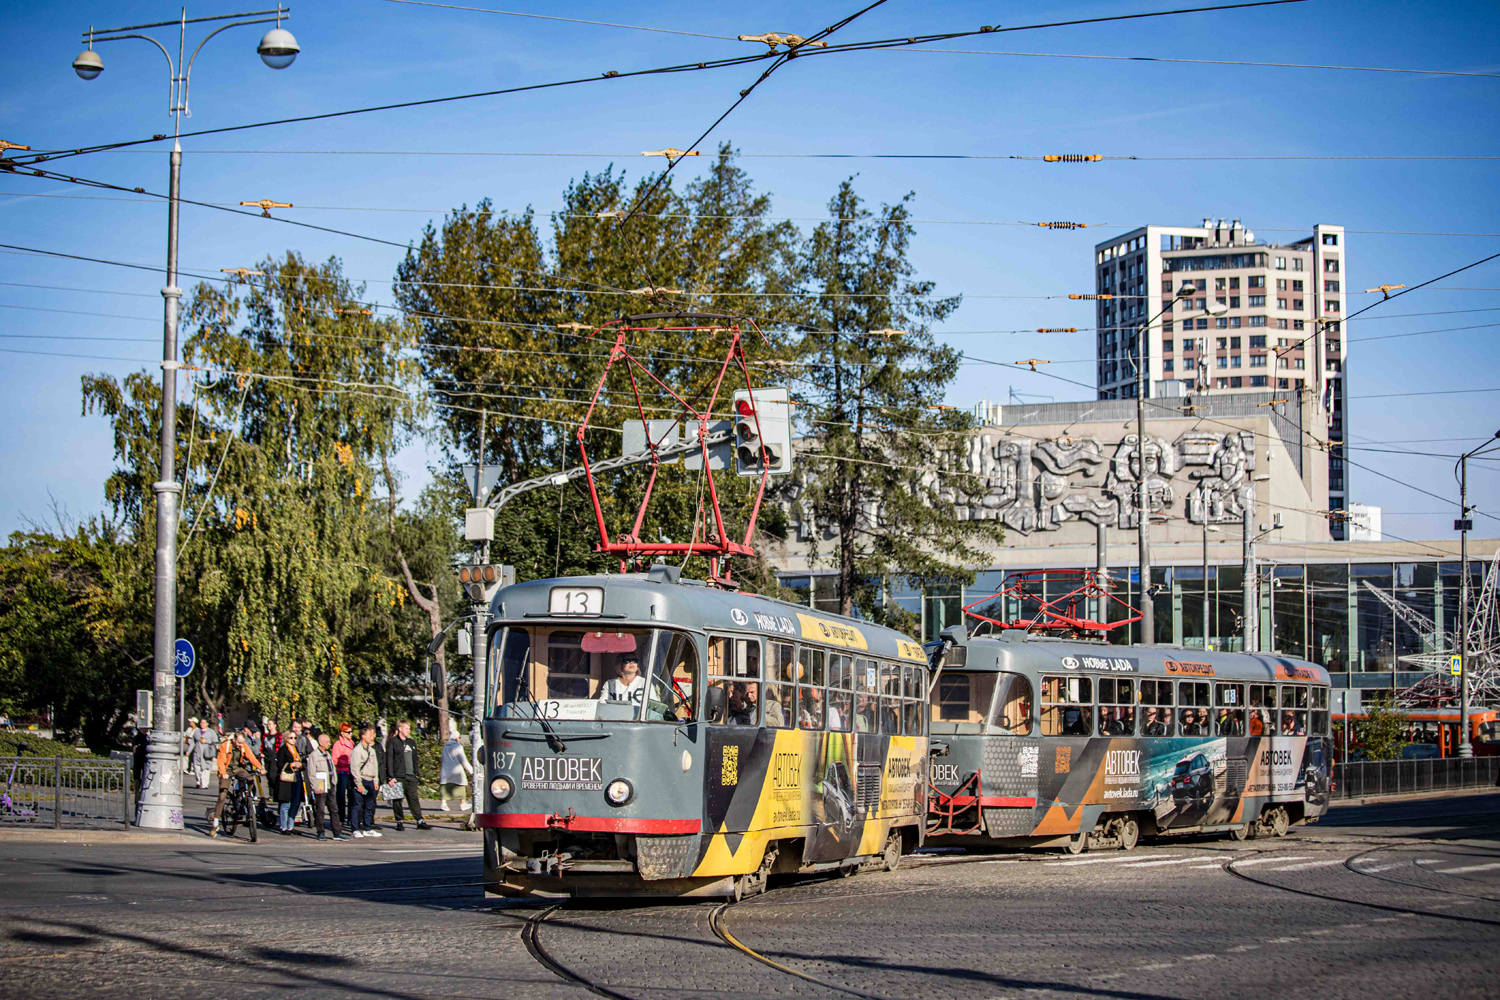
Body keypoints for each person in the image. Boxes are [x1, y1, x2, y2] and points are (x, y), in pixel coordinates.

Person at [209, 727, 264, 836]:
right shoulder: (226, 745)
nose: (240, 745)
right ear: (234, 740)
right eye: (238, 743)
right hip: (227, 770)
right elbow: (220, 761)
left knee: (250, 778)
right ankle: (215, 822)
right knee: (222, 796)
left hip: (238, 769)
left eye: (242, 743)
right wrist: (223, 773)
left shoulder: (244, 746)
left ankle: (245, 796)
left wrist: (260, 767)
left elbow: (251, 757)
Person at [382, 720, 430, 831]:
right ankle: (399, 821)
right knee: (397, 799)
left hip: (411, 775)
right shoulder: (393, 742)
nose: (408, 731)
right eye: (406, 728)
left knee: (413, 798)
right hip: (398, 775)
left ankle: (419, 820)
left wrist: (416, 772)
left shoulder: (411, 742)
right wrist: (390, 776)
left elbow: (415, 758)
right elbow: (389, 759)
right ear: (400, 729)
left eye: (409, 728)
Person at [305, 733, 348, 840]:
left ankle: (337, 832)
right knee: (320, 810)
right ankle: (320, 832)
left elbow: (332, 769)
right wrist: (315, 787)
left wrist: (334, 782)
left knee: (334, 810)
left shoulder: (327, 754)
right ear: (320, 742)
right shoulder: (314, 755)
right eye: (327, 742)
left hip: (330, 785)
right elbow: (311, 773)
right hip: (320, 787)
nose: (329, 744)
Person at [350, 725, 381, 838]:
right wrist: (359, 784)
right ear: (363, 736)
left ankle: (367, 828)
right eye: (369, 735)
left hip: (370, 780)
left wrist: (376, 781)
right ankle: (355, 828)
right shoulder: (357, 751)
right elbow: (355, 768)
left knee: (369, 806)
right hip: (361, 779)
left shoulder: (371, 750)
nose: (371, 737)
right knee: (357, 805)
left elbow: (375, 766)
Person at [274, 727, 304, 834]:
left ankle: (291, 826)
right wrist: (292, 764)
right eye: (291, 738)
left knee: (296, 802)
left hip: (297, 776)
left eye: (295, 738)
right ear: (286, 739)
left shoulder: (296, 749)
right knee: (286, 803)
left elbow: (301, 762)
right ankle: (283, 826)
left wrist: (301, 765)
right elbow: (279, 764)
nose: (293, 740)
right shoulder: (283, 750)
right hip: (287, 778)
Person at [439, 720, 472, 813]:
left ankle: (444, 803)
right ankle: (462, 804)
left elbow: (442, 757)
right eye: (459, 737)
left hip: (446, 771)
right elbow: (463, 760)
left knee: (445, 786)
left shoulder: (445, 746)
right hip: (457, 771)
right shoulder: (458, 746)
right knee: (460, 787)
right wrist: (471, 771)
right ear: (457, 737)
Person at [332, 722, 356, 833]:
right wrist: (345, 762)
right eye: (348, 732)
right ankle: (341, 818)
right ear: (342, 733)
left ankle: (351, 819)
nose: (350, 734)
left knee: (352, 795)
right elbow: (334, 760)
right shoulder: (338, 744)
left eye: (351, 731)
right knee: (341, 796)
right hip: (342, 773)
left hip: (351, 772)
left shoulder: (352, 743)